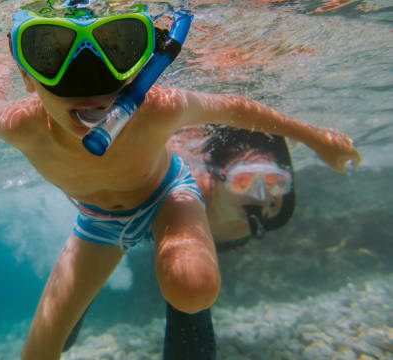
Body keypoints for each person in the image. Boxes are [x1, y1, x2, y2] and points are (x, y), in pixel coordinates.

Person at [0, 0, 361, 359]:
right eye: (51, 55)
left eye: (117, 55)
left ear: (141, 70)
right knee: (39, 352)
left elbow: (239, 109)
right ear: (28, 77)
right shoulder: (19, 121)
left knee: (192, 286)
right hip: (95, 223)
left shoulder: (160, 108)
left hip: (168, 196)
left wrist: (317, 138)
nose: (89, 89)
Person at [62, 125, 300, 359]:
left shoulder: (277, 206)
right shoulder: (187, 192)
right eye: (243, 181)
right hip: (159, 231)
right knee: (183, 274)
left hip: (223, 243)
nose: (261, 195)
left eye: (274, 182)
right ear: (218, 176)